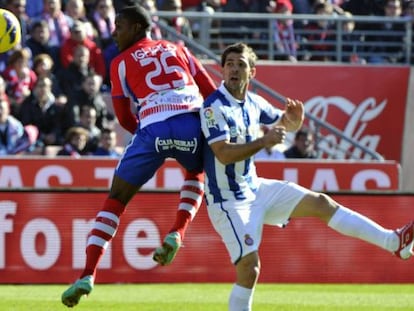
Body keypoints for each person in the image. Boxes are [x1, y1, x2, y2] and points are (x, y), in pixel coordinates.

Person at [199, 42, 414, 311]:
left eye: (241, 64)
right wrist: (263, 141)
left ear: (252, 72)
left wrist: (294, 121)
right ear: (222, 69)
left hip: (255, 188)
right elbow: (223, 154)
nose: (234, 69)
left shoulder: (254, 103)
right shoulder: (213, 107)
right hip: (227, 201)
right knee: (249, 269)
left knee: (322, 203)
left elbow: (286, 122)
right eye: (229, 63)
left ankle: (393, 242)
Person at [61, 4, 216, 307]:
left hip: (152, 129)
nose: (114, 33)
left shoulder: (120, 62)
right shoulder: (178, 48)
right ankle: (177, 232)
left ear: (136, 28)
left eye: (119, 27)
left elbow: (122, 116)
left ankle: (87, 275)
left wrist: (148, 135)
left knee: (115, 199)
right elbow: (210, 91)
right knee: (196, 172)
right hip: (189, 121)